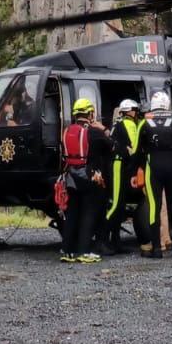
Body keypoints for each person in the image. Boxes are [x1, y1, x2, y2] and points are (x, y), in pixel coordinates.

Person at [140, 89, 172, 258]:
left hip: (153, 166)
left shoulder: (145, 122)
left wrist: (138, 168)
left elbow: (136, 151)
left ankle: (156, 249)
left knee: (155, 207)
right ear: (167, 104)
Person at [59, 99, 111, 263]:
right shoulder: (93, 132)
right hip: (89, 178)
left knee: (72, 214)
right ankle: (84, 250)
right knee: (89, 214)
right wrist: (104, 129)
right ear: (90, 114)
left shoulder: (67, 131)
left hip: (71, 179)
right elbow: (111, 146)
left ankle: (67, 250)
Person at [104, 98, 150, 254]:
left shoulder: (118, 123)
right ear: (130, 111)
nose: (137, 113)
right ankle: (101, 241)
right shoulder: (129, 124)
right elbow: (134, 146)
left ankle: (115, 242)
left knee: (120, 204)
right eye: (136, 110)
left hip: (119, 165)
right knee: (116, 204)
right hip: (119, 165)